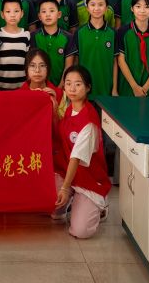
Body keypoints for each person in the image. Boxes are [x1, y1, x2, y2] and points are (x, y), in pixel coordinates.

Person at [52, 65, 111, 239]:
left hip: (88, 179)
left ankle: (100, 206)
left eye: (78, 84)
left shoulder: (89, 121)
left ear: (88, 87)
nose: (72, 88)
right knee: (53, 210)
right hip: (68, 172)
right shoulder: (69, 108)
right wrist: (54, 111)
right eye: (68, 83)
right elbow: (60, 134)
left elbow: (76, 158)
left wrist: (64, 188)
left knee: (80, 231)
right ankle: (73, 201)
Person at [66, 0, 116, 98]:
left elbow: (115, 62)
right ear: (87, 8)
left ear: (106, 8)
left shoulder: (113, 33)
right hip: (84, 89)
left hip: (106, 87)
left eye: (100, 5)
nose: (96, 8)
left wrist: (115, 88)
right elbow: (76, 61)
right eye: (92, 5)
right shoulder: (79, 32)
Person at [30, 0, 73, 84]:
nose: (48, 15)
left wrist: (60, 88)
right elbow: (30, 64)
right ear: (39, 16)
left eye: (52, 11)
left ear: (59, 14)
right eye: (44, 11)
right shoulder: (33, 36)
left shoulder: (68, 37)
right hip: (38, 87)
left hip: (60, 86)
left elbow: (68, 66)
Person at [0, 0, 31, 90]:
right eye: (8, 11)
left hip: (21, 87)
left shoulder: (26, 35)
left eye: (16, 11)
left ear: (22, 13)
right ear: (2, 14)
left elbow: (28, 62)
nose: (12, 15)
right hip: (0, 86)